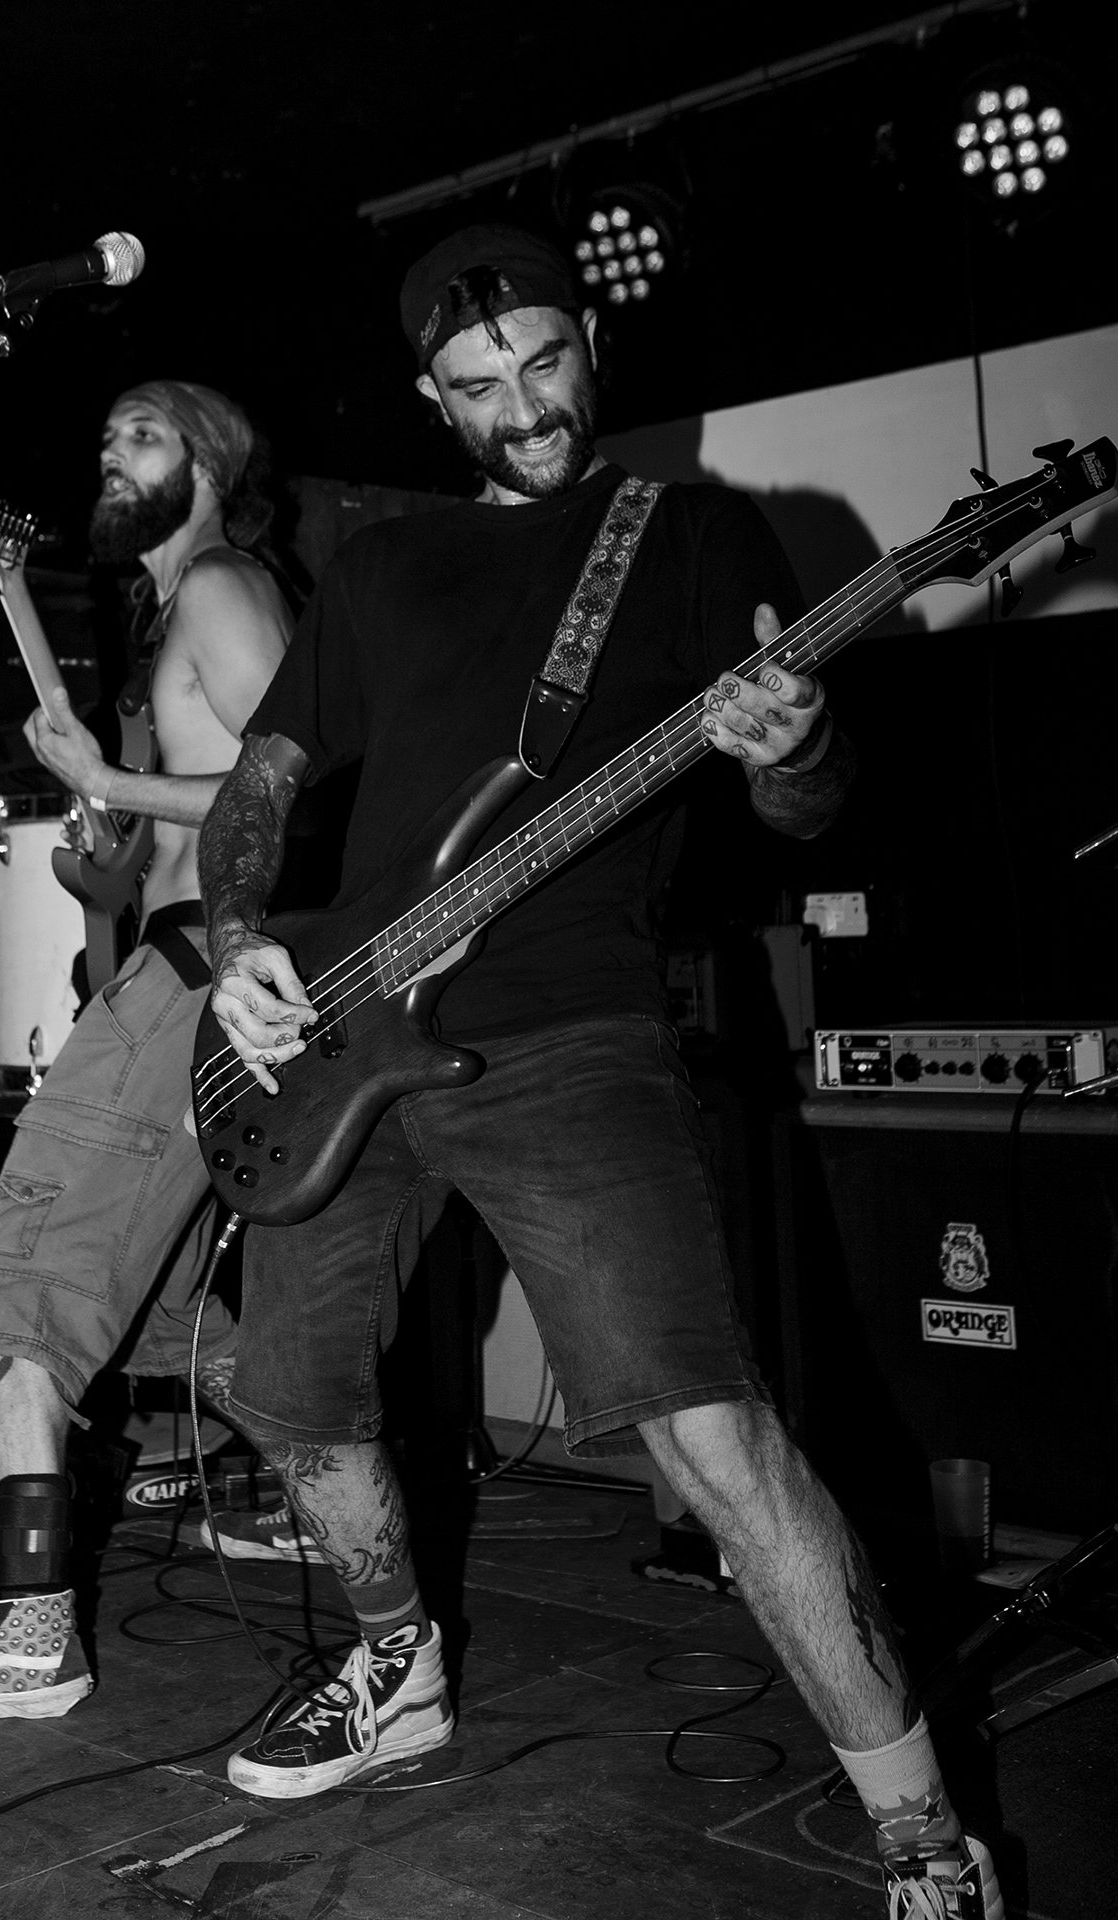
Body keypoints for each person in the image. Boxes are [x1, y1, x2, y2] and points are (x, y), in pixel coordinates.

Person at [195, 228, 1002, 1919]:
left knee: (709, 1441)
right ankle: (397, 1662)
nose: (524, 408)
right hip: (338, 1029)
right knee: (289, 1396)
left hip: (566, 1028)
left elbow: (804, 803)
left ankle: (926, 1840)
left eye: (545, 363)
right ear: (433, 400)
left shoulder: (690, 534)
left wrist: (795, 746)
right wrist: (244, 936)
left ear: (589, 346)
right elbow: (265, 780)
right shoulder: (382, 565)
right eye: (479, 388)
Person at [0, 378, 308, 1727]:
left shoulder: (219, 584)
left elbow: (300, 783)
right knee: (176, 1321)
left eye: (143, 434)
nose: (112, 452)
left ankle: (34, 1629)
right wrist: (111, 843)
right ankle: (341, 1523)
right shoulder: (169, 616)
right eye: (106, 436)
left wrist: (108, 786)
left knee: (19, 1288)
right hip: (179, 966)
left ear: (210, 462)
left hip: (193, 979)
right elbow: (178, 836)